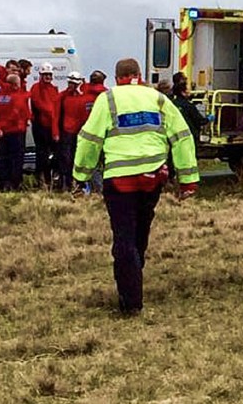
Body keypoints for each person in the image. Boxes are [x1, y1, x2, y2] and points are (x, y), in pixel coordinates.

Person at [73, 58, 200, 315]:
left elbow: (89, 140)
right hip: (152, 177)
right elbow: (182, 136)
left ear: (116, 77)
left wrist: (81, 176)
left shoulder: (107, 100)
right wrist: (188, 180)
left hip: (120, 180)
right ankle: (135, 271)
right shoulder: (157, 99)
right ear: (139, 75)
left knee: (124, 238)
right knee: (141, 229)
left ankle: (130, 301)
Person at [0, 73, 30, 191]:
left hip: (3, 132)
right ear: (15, 85)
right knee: (16, 159)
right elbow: (23, 113)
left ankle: (4, 183)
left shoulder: (1, 97)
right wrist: (27, 120)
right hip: (16, 131)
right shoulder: (19, 97)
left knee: (3, 158)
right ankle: (15, 184)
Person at [55, 71, 87, 191]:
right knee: (65, 159)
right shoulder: (63, 96)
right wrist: (56, 132)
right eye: (69, 83)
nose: (70, 85)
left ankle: (77, 184)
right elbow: (56, 115)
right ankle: (65, 183)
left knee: (76, 159)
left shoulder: (83, 97)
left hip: (79, 132)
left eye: (73, 83)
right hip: (67, 132)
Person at [29, 62, 60, 186]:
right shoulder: (36, 88)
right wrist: (52, 113)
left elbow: (56, 105)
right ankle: (42, 178)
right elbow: (39, 105)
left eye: (49, 74)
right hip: (41, 125)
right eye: (45, 74)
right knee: (42, 153)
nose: (47, 77)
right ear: (41, 75)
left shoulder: (53, 89)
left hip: (52, 125)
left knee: (54, 153)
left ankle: (52, 177)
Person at [172, 78, 208, 145]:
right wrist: (208, 119)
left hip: (174, 136)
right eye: (187, 90)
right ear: (183, 92)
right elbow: (199, 120)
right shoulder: (189, 105)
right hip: (189, 136)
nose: (189, 91)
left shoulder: (172, 104)